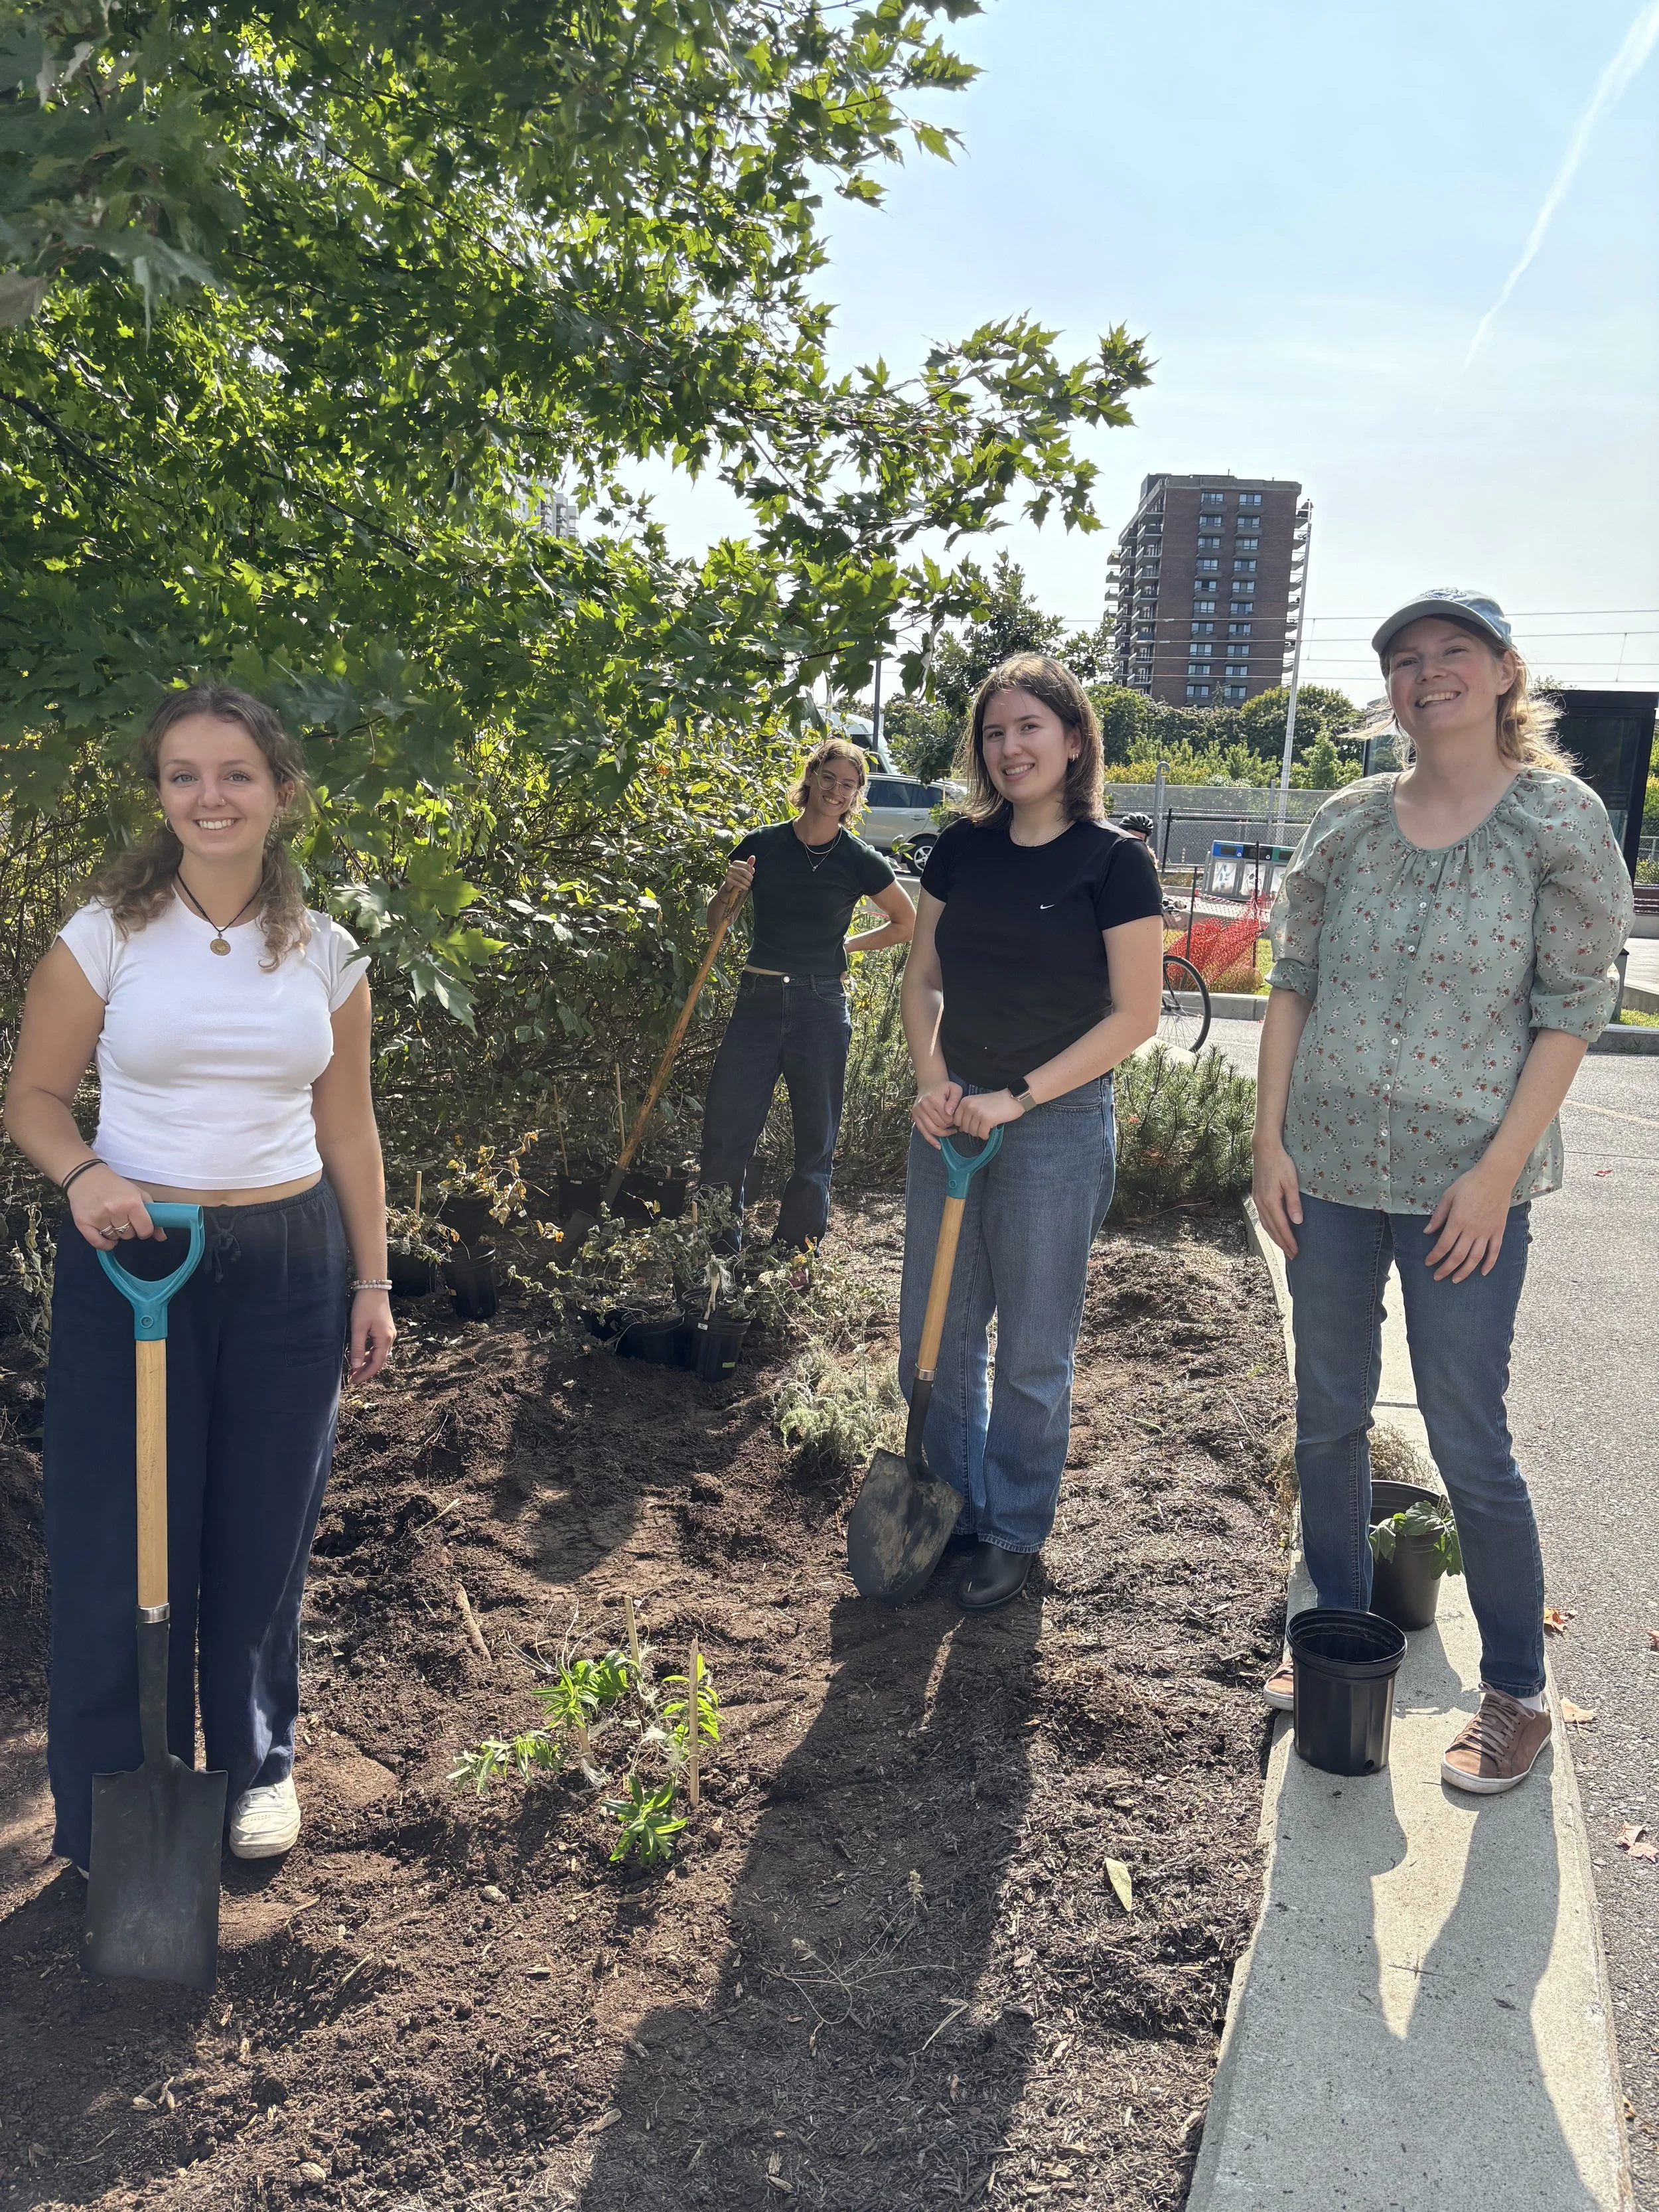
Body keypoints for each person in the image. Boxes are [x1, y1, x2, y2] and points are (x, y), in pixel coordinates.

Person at [3, 684, 396, 1872]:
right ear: (161, 793)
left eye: (235, 773)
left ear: (281, 791)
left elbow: (352, 1129)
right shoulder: (104, 936)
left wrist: (372, 1280)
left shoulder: (325, 952)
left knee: (264, 1524)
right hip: (135, 1259)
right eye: (184, 773)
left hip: (289, 1259)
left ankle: (256, 1761)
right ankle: (112, 1786)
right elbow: (32, 1097)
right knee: (118, 1530)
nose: (210, 795)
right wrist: (81, 1177)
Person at [1252, 588, 1632, 1792]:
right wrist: (1269, 1143)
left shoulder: (1554, 821)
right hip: (1329, 1173)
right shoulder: (1351, 821)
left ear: (1506, 671)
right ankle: (1339, 1635)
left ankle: (1515, 1688)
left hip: (1469, 1188)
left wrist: (1496, 1173)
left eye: (1452, 654)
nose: (1427, 676)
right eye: (1405, 661)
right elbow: (1294, 980)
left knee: (1468, 1433)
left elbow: (1575, 1010)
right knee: (1328, 1412)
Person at [899, 656, 1163, 1611]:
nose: (1010, 747)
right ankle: (955, 1512)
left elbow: (1136, 1015)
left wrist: (1018, 1093)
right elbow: (922, 976)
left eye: (1030, 728)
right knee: (931, 1336)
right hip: (951, 1115)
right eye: (995, 732)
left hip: (1053, 1125)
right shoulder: (961, 851)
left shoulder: (1114, 861)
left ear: (1075, 738)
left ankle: (1013, 1528)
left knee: (1033, 1353)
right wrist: (934, 1080)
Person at [699, 736, 915, 1250]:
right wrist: (728, 889)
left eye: (849, 785)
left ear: (856, 794)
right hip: (758, 1000)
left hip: (820, 1006)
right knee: (727, 1132)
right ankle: (716, 1254)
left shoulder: (860, 859)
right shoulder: (762, 845)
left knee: (815, 1142)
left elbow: (905, 922)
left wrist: (846, 946)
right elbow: (716, 926)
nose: (836, 791)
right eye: (829, 778)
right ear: (811, 777)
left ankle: (793, 1257)